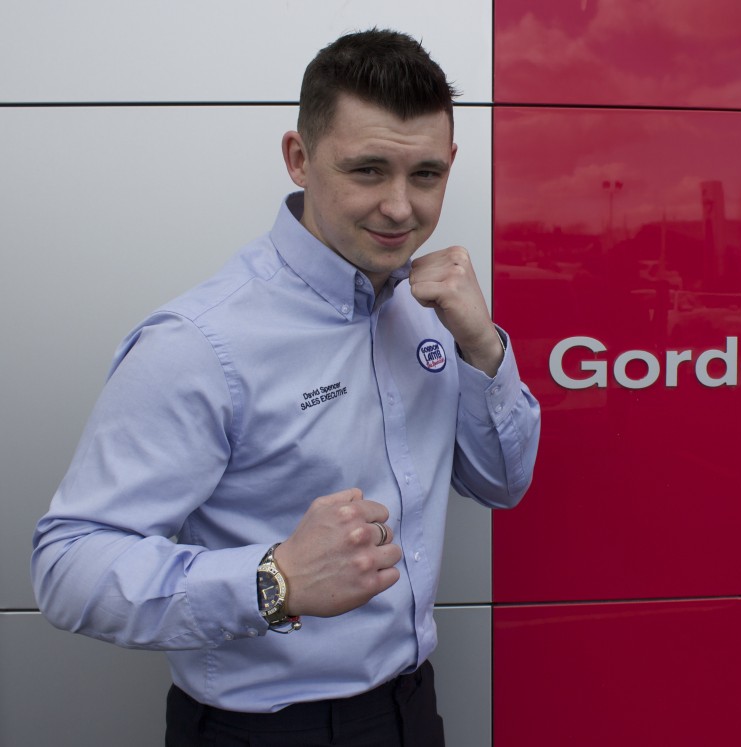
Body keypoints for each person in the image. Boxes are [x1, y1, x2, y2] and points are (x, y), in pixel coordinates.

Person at [31, 28, 540, 746]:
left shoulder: (433, 312)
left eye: (425, 175)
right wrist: (274, 580)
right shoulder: (200, 343)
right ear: (299, 158)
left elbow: (502, 482)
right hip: (261, 729)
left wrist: (482, 347)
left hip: (413, 706)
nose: (402, 209)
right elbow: (66, 562)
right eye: (368, 171)